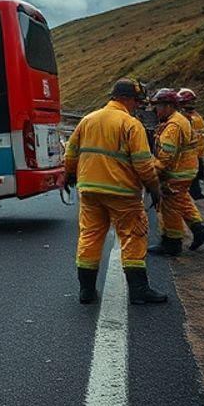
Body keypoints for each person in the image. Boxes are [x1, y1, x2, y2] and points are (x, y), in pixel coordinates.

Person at [64, 78, 167, 305]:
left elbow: (71, 154)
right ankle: (139, 291)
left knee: (89, 236)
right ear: (128, 99)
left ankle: (87, 291)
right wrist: (154, 188)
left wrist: (69, 176)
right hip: (123, 194)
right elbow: (142, 163)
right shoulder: (131, 125)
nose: (137, 107)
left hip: (90, 191)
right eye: (137, 102)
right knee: (133, 236)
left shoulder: (88, 120)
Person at [147, 89, 204, 256]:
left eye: (158, 106)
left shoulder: (173, 126)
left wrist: (150, 170)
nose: (156, 110)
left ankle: (172, 244)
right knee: (181, 200)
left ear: (168, 106)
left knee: (170, 207)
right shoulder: (177, 121)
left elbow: (166, 157)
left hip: (176, 173)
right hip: (186, 170)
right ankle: (199, 229)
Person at [178, 88, 204, 204]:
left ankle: (194, 197)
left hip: (193, 154)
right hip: (195, 154)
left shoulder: (188, 117)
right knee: (194, 180)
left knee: (192, 179)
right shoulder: (193, 116)